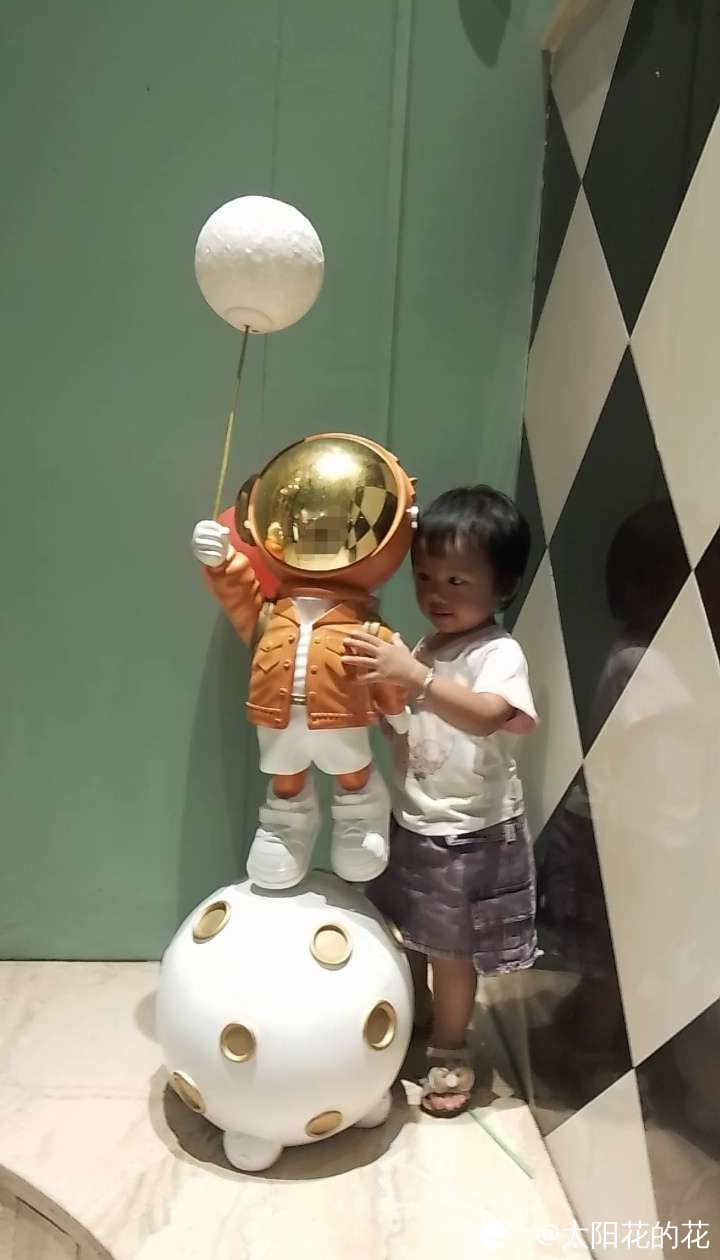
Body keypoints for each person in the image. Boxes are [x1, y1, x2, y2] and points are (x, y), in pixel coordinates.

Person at [343, 486, 539, 1117]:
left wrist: (416, 679)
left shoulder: (497, 652)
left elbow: (487, 716)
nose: (436, 593)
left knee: (453, 955)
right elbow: (409, 727)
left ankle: (453, 1049)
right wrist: (387, 701)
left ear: (504, 586)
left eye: (457, 580)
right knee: (410, 936)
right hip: (416, 820)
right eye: (425, 576)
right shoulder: (425, 648)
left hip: (470, 832)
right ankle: (418, 1018)